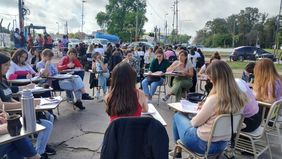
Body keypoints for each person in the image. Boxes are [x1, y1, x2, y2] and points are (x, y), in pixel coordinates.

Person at [171, 60, 248, 158]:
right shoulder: (240, 97)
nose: (210, 81)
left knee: (178, 116)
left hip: (203, 144)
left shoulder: (213, 99)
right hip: (223, 144)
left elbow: (195, 123)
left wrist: (194, 118)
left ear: (217, 79)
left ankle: (178, 151)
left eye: (211, 78)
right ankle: (178, 151)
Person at [0, 52, 55, 159]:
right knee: (18, 136)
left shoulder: (2, 80)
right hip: (11, 117)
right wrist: (25, 105)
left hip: (12, 116)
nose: (8, 67)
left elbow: (10, 97)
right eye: (6, 65)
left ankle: (37, 153)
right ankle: (37, 154)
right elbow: (2, 105)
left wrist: (27, 104)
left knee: (48, 117)